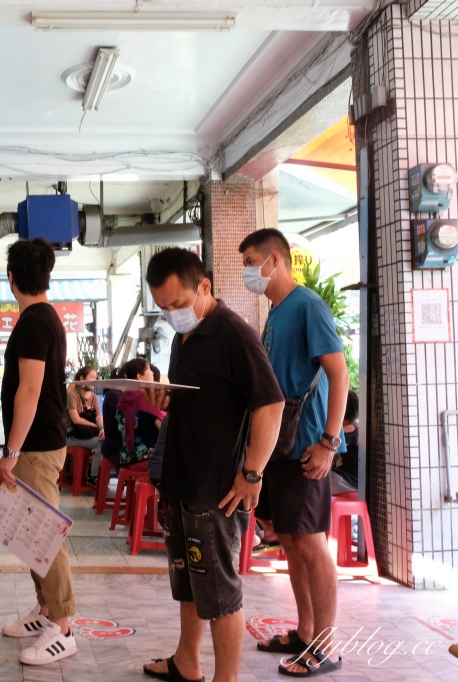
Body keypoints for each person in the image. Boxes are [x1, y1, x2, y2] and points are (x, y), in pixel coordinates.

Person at [141, 247, 284, 682]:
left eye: (179, 304)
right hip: (182, 480)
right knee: (189, 584)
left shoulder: (235, 335)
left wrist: (252, 471)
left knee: (220, 593)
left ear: (203, 286)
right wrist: (164, 397)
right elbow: (194, 397)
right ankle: (188, 661)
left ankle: (227, 678)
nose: (172, 314)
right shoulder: (186, 336)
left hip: (216, 488)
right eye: (164, 308)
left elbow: (271, 404)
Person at [240, 229, 349, 676]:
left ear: (275, 260)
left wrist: (328, 442)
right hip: (279, 450)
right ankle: (304, 632)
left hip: (307, 450)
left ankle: (324, 646)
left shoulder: (307, 306)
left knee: (309, 543)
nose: (247, 268)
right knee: (289, 540)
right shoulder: (275, 313)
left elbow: (338, 374)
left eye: (250, 259)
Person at [0, 237, 78, 666]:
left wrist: (11, 451)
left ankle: (62, 627)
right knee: (32, 534)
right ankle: (46, 611)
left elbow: (30, 390)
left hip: (37, 446)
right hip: (41, 442)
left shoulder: (33, 323)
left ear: (11, 279)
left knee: (45, 532)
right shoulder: (47, 317)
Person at [113, 357, 164, 471]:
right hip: (147, 458)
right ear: (139, 376)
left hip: (126, 457)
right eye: (149, 369)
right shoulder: (146, 400)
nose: (152, 373)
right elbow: (164, 429)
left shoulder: (123, 399)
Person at [65, 366, 105, 481]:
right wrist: (96, 426)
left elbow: (98, 417)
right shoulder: (72, 395)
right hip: (71, 434)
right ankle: (93, 476)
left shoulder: (95, 398)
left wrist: (102, 429)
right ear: (82, 378)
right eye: (91, 377)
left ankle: (97, 473)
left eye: (95, 378)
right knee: (100, 444)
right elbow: (76, 420)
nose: (94, 381)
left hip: (87, 433)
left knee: (106, 440)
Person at [331, 390, 360, 495]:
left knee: (313, 483)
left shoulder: (350, 428)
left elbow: (330, 447)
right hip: (349, 479)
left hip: (349, 479)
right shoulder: (354, 426)